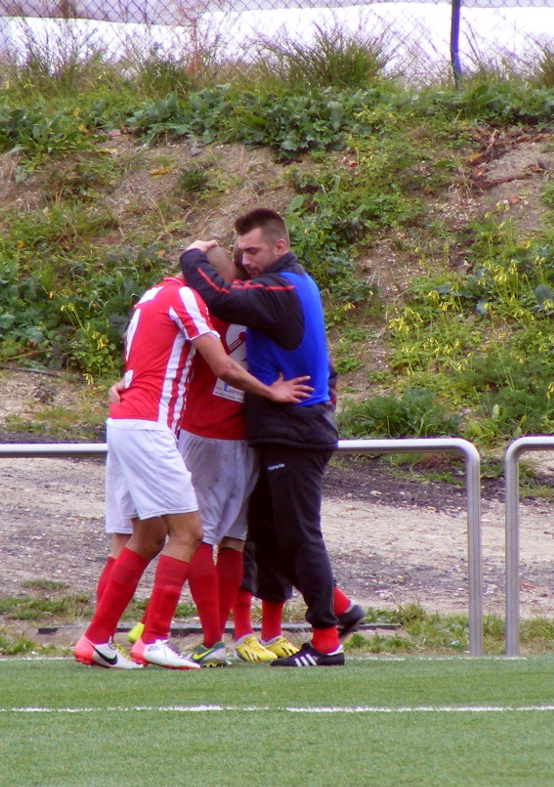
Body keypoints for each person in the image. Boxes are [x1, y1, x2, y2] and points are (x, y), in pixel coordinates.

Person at [73, 268, 311, 670]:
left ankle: (98, 638)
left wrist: (126, 383)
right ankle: (157, 638)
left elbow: (151, 356)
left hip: (134, 423)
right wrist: (272, 392)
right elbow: (223, 367)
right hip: (165, 428)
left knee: (147, 535)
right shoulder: (190, 298)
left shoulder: (153, 295)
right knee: (193, 533)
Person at [180, 208, 364, 667]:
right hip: (287, 429)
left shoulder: (280, 288)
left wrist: (191, 258)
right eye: (241, 253)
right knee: (267, 536)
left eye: (254, 251)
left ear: (280, 246)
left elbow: (220, 296)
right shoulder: (291, 282)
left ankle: (327, 642)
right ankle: (339, 607)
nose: (246, 261)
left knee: (299, 537)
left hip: (295, 432)